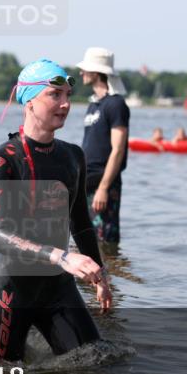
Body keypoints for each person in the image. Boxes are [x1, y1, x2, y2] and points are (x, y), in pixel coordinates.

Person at [0, 59, 112, 362]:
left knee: (96, 366)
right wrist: (63, 256)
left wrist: (100, 276)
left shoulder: (72, 156)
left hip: (57, 286)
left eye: (68, 95)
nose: (65, 104)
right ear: (29, 101)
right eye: (55, 95)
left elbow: (81, 224)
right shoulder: (1, 161)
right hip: (10, 289)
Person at [77, 47, 130, 248]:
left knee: (105, 241)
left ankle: (110, 276)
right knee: (84, 241)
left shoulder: (115, 105)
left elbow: (118, 149)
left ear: (97, 72)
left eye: (85, 69)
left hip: (104, 184)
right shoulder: (93, 105)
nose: (81, 73)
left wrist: (104, 188)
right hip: (86, 182)